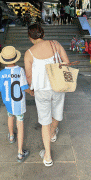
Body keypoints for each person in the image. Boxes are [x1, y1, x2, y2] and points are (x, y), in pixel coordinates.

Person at [24, 24, 70, 166]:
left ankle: (48, 156)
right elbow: (67, 62)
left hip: (41, 90)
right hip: (57, 86)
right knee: (57, 113)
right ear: (42, 34)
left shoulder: (29, 53)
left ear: (30, 38)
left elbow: (29, 76)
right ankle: (52, 133)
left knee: (45, 122)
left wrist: (31, 90)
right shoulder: (55, 44)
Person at [0, 46, 34, 162]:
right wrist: (31, 93)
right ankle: (20, 153)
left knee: (9, 116)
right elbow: (24, 87)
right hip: (18, 103)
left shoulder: (2, 73)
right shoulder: (20, 70)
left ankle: (11, 136)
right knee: (20, 123)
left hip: (8, 102)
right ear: (15, 58)